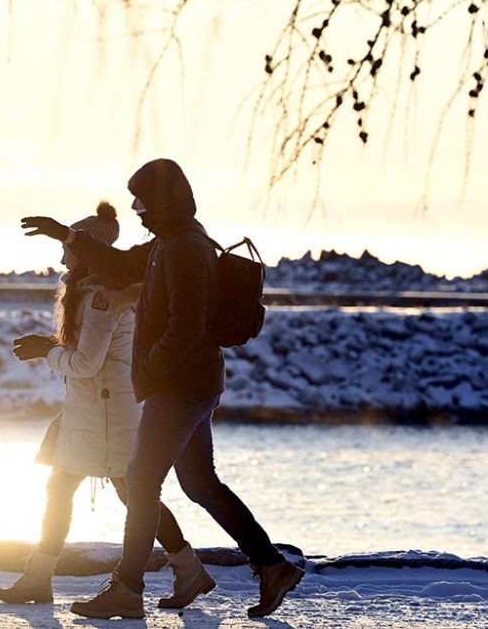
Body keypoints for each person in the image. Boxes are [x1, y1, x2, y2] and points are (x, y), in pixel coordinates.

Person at [21, 159, 304, 620]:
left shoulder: (184, 250)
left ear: (164, 201)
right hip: (192, 382)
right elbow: (117, 264)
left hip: (180, 387)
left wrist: (149, 369)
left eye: (143, 200)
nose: (136, 208)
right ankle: (271, 564)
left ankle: (127, 589)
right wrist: (67, 235)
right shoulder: (168, 243)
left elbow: (187, 326)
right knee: (199, 484)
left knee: (140, 480)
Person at [0, 201, 214, 612]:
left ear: (88, 251)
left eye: (68, 248)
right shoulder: (95, 292)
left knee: (130, 494)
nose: (62, 256)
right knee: (91, 490)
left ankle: (186, 569)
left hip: (105, 414)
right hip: (96, 410)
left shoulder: (101, 298)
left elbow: (86, 363)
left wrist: (46, 350)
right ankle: (41, 578)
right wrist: (53, 348)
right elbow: (87, 358)